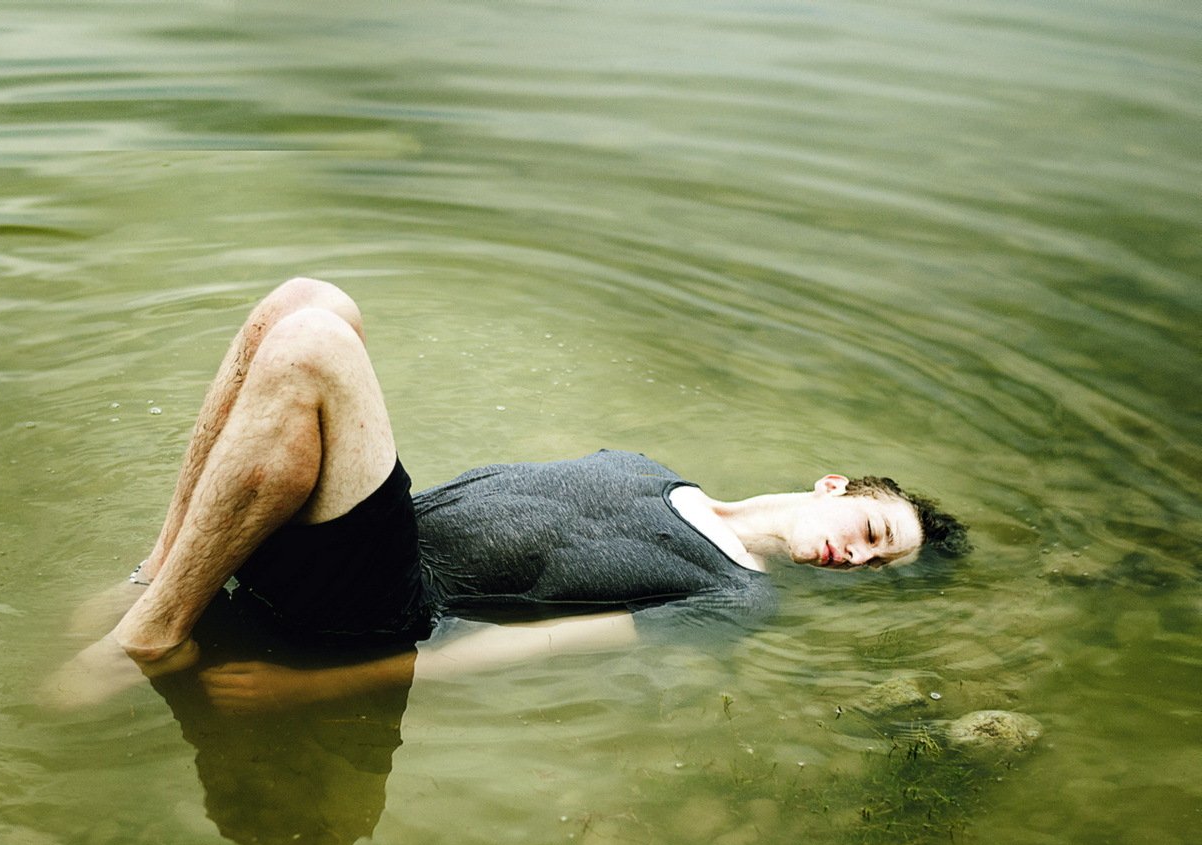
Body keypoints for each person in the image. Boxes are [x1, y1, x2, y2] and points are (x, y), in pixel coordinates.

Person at [49, 278, 967, 713]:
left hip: (385, 605)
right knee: (302, 302)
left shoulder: (734, 600)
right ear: (837, 486)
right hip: (360, 544)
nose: (860, 555)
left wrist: (308, 690)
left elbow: (526, 652)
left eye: (878, 565)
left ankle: (151, 632)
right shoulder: (646, 466)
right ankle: (162, 573)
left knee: (316, 348)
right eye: (875, 529)